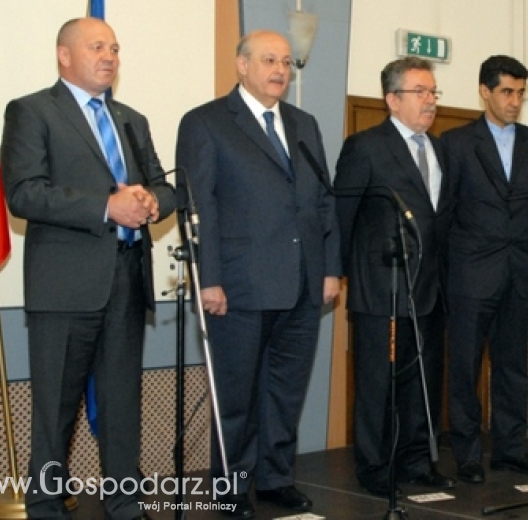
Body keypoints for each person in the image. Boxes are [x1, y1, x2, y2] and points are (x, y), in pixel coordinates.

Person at [0, 17, 175, 520]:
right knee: (55, 410)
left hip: (127, 280)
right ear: (64, 54)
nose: (109, 57)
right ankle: (46, 506)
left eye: (115, 48)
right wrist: (106, 206)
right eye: (97, 47)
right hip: (64, 287)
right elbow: (23, 192)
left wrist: (152, 201)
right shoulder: (33, 111)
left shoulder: (131, 119)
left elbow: (165, 185)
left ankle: (125, 504)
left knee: (122, 406)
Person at [175, 30, 341, 518]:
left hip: (303, 282)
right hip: (239, 285)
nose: (280, 70)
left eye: (286, 62)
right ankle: (231, 487)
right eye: (269, 60)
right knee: (237, 398)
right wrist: (208, 279)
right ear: (242, 64)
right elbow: (199, 207)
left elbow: (323, 200)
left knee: (285, 392)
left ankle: (275, 479)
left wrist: (331, 268)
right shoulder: (206, 122)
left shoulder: (304, 124)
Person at [334, 57, 455, 498]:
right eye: (420, 92)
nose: (430, 101)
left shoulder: (440, 149)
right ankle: (374, 465)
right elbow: (342, 217)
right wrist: (338, 273)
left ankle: (417, 461)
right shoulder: (365, 146)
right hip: (381, 288)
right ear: (392, 99)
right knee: (377, 385)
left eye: (433, 92)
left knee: (422, 382)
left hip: (431, 290)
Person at [438, 55, 528, 484]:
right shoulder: (455, 142)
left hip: (519, 272)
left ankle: (511, 450)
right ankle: (468, 454)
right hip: (471, 274)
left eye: (520, 92)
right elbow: (445, 211)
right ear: (485, 91)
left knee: (513, 368)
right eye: (507, 91)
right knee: (465, 368)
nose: (515, 101)